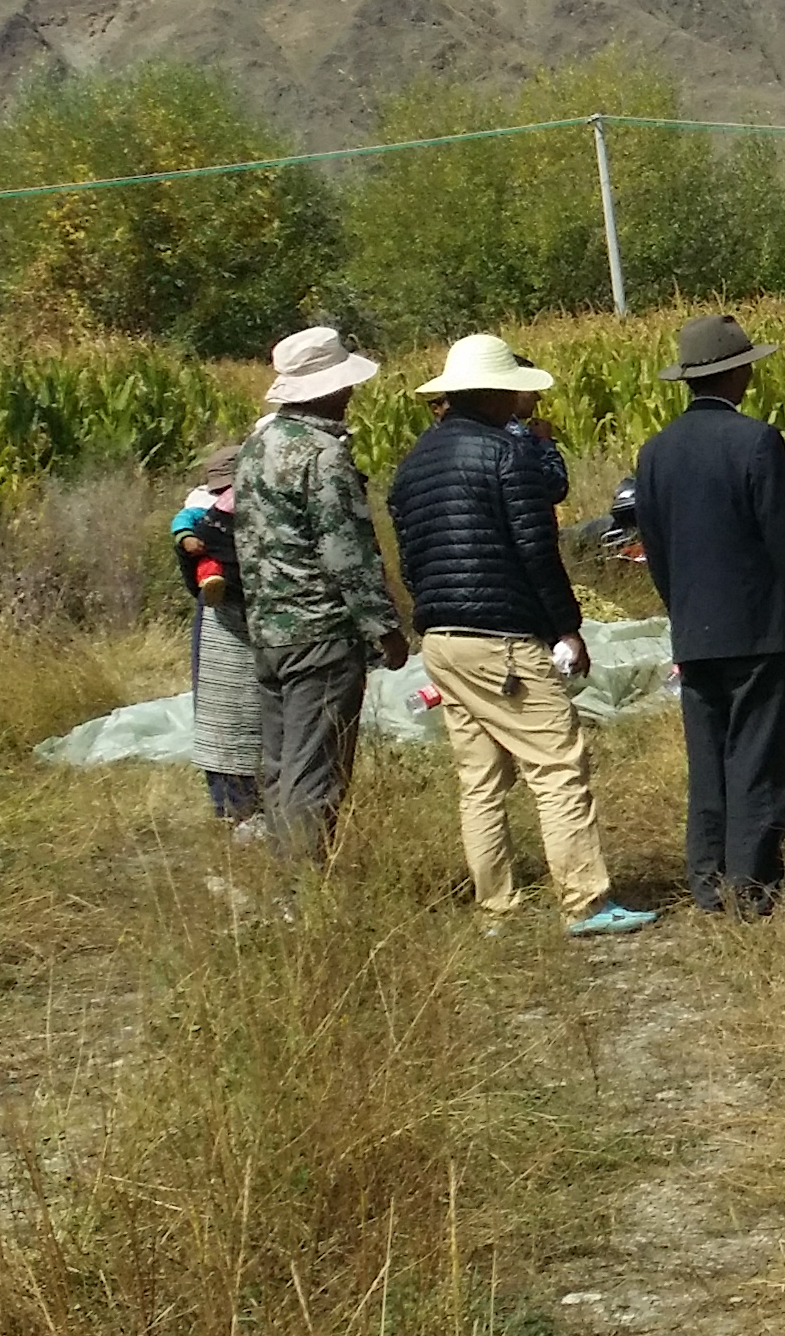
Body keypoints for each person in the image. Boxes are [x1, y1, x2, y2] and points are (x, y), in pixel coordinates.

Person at [387, 334, 656, 938]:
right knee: (556, 764)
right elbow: (538, 552)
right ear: (497, 390)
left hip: (441, 637)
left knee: (480, 778)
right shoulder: (512, 457)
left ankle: (496, 904)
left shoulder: (412, 467)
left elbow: (408, 561)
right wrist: (567, 628)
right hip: (501, 635)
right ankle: (586, 901)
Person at [630, 314, 785, 918]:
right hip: (761, 629)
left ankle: (707, 882)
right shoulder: (756, 442)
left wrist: (682, 612)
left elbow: (656, 550)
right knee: (759, 756)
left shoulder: (655, 452)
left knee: (710, 756)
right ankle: (753, 884)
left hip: (695, 629)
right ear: (737, 372)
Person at [231, 328, 404, 858]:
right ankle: (304, 894)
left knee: (284, 765)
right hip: (319, 632)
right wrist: (384, 626)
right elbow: (344, 551)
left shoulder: (257, 446)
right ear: (330, 388)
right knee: (317, 771)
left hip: (269, 631)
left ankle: (285, 881)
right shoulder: (321, 454)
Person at [171, 443, 264, 825]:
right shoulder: (210, 512)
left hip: (229, 613)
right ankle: (236, 809)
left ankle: (237, 809)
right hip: (228, 616)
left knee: (232, 716)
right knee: (229, 716)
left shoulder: (228, 510)